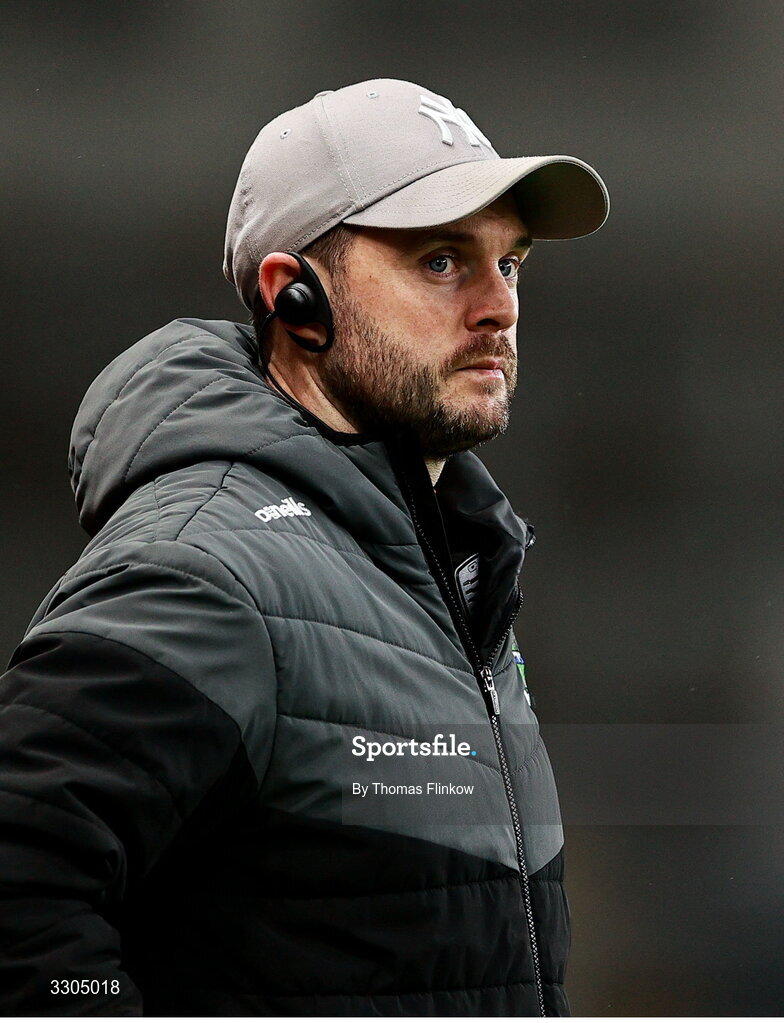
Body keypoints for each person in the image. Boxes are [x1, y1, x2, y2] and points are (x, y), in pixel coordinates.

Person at [0, 79, 608, 1016]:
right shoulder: (209, 568)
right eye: (443, 261)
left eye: (512, 264)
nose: (500, 307)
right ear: (297, 299)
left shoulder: (453, 575)